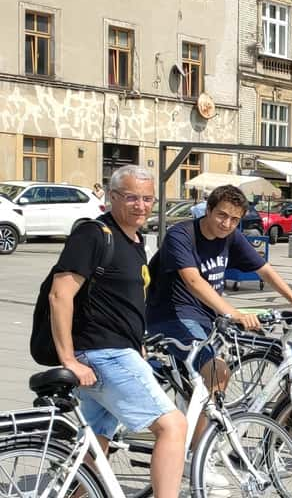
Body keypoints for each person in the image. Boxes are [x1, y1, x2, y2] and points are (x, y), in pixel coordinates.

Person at [48, 165, 187, 498]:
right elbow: (60, 294)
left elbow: (121, 300)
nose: (140, 205)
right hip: (102, 352)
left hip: (116, 351)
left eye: (147, 198)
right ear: (111, 197)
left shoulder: (135, 240)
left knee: (94, 447)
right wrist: (69, 358)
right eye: (131, 197)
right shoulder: (94, 234)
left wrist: (137, 342)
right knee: (173, 425)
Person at [147, 184, 292, 444]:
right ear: (208, 210)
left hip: (206, 317)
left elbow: (264, 270)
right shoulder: (181, 234)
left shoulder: (231, 236)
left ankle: (190, 431)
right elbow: (192, 280)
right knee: (217, 373)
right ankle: (198, 455)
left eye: (235, 219)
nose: (227, 224)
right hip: (171, 316)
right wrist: (234, 313)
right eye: (222, 215)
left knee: (209, 381)